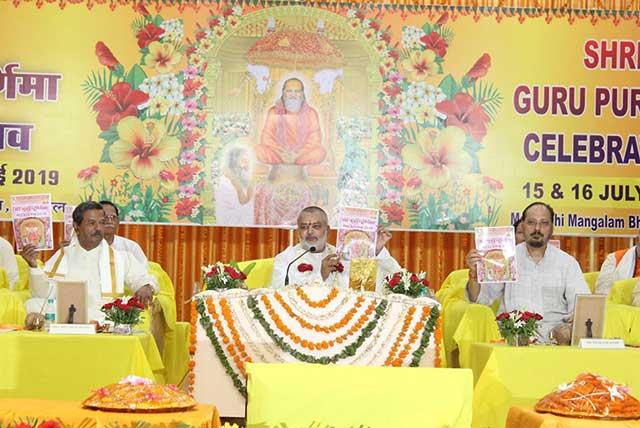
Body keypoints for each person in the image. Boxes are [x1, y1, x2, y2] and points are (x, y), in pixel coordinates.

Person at [465, 202, 590, 344]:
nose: (537, 228)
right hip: (514, 342)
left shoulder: (567, 263)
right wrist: (474, 275)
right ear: (522, 226)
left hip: (555, 344)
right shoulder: (506, 258)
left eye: (544, 223)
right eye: (531, 223)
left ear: (551, 228)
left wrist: (569, 328)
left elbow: (582, 306)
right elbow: (481, 300)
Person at [22, 201, 158, 322]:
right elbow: (44, 294)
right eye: (92, 223)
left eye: (101, 223)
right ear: (76, 226)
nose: (98, 228)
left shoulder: (120, 257)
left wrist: (146, 286)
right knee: (32, 304)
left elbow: (143, 277)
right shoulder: (64, 254)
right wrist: (33, 266)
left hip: (103, 312)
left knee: (122, 312)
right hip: (67, 310)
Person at [269, 206, 401, 293]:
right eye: (304, 227)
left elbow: (362, 289)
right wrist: (320, 275)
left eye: (316, 226)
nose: (310, 231)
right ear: (298, 231)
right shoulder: (286, 259)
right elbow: (279, 294)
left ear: (327, 230)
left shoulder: (341, 255)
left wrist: (375, 251)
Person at [255, 78, 326, 168]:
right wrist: (282, 153)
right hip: (279, 154)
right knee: (259, 150)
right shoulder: (273, 111)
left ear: (302, 94)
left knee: (320, 152)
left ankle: (296, 161)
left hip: (301, 155)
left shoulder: (311, 113)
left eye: (297, 91)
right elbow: (266, 138)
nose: (293, 95)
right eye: (289, 91)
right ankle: (288, 162)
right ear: (283, 93)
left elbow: (314, 140)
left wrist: (297, 155)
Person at [98, 200, 149, 265]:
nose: (109, 221)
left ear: (118, 221)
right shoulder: (88, 246)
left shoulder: (131, 248)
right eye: (105, 217)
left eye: (113, 217)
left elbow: (143, 271)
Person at [214, 146, 255, 225]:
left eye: (247, 157)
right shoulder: (226, 178)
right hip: (230, 218)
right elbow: (243, 202)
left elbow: (248, 200)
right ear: (234, 159)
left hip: (240, 214)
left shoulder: (242, 174)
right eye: (243, 157)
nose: (247, 159)